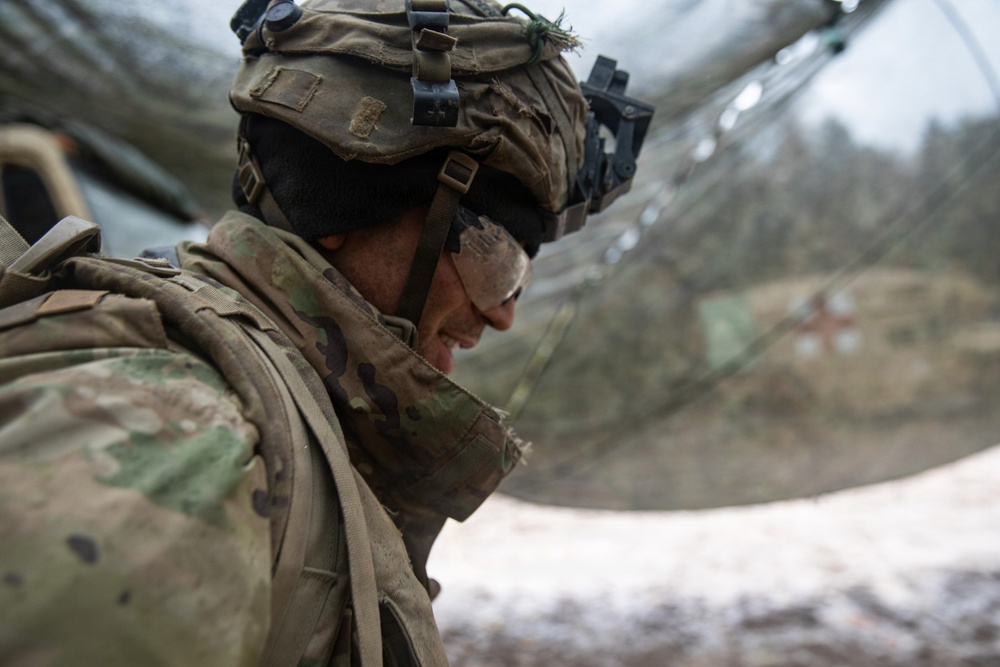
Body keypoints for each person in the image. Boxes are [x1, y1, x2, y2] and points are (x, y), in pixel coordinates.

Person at [0, 0, 651, 664]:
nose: (503, 314)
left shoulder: (291, 414)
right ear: (344, 206)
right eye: (499, 261)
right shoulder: (182, 435)